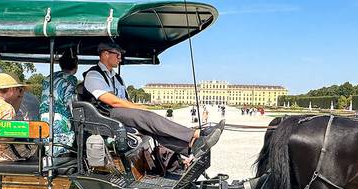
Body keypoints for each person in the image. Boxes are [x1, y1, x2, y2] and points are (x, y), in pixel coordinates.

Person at [81, 42, 222, 157]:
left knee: (151, 128)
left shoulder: (116, 77)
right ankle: (197, 134)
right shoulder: (94, 75)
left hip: (118, 113)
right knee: (146, 116)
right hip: (105, 115)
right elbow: (113, 101)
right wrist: (139, 108)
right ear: (105, 54)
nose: (120, 58)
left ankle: (190, 147)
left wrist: (136, 108)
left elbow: (124, 99)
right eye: (117, 55)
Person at [38, 50, 79, 156]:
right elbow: (69, 102)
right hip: (60, 116)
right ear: (75, 65)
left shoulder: (49, 77)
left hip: (44, 117)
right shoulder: (71, 79)